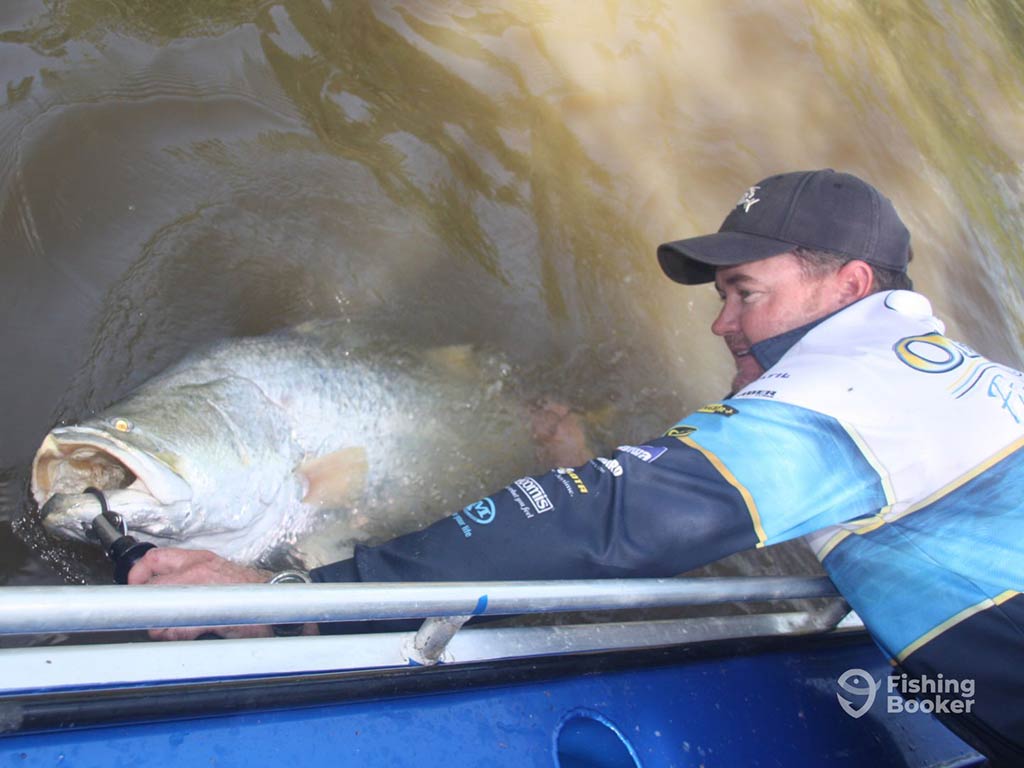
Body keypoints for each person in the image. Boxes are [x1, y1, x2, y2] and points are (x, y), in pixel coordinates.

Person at [129, 169, 1023, 762]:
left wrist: (298, 609)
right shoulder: (968, 382)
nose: (723, 324)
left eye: (746, 293)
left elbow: (604, 524)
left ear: (852, 286)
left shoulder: (838, 408)